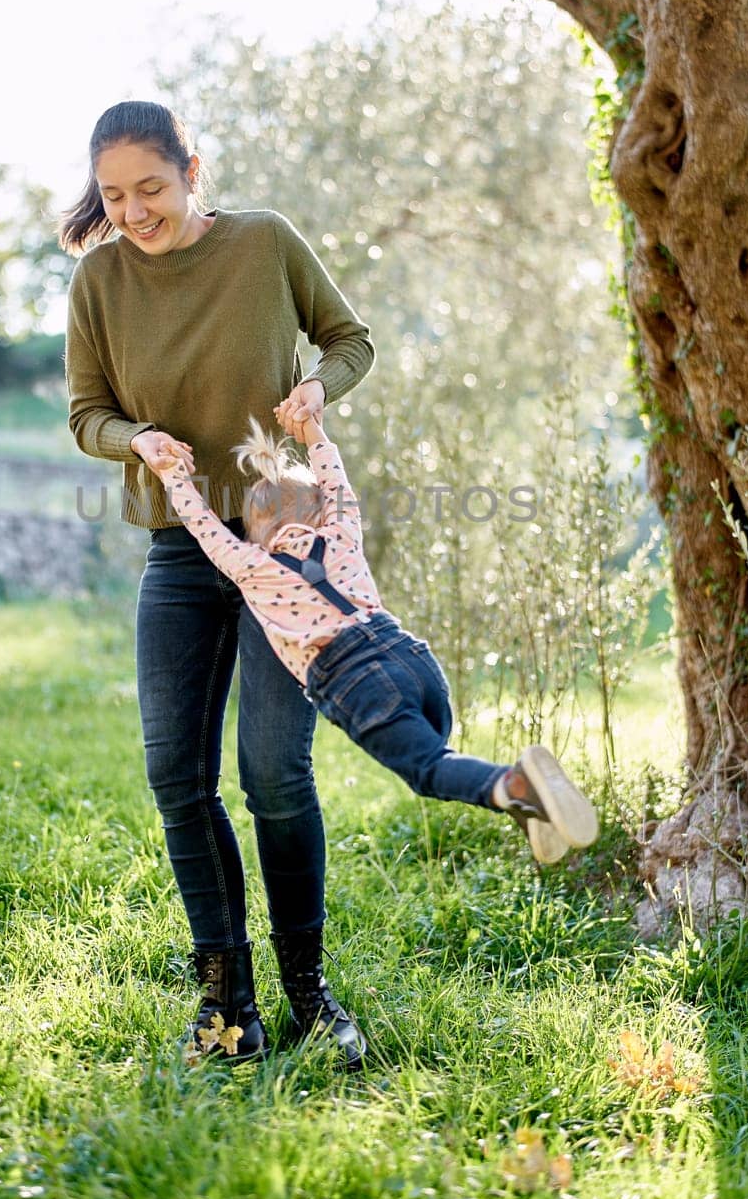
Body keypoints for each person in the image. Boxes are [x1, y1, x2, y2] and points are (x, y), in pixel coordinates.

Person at [60, 100, 375, 1070]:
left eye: (149, 188)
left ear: (192, 168)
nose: (133, 211)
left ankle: (309, 996)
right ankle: (225, 1005)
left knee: (275, 773)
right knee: (175, 776)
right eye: (114, 196)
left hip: (285, 549)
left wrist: (319, 387)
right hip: (178, 552)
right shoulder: (100, 280)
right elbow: (86, 412)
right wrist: (133, 441)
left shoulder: (264, 243)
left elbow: (348, 339)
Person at [147, 408, 600, 1000]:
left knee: (430, 771)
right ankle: (528, 808)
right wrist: (314, 435)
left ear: (257, 533)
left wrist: (173, 476)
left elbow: (203, 524)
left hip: (358, 683)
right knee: (440, 749)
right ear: (319, 514)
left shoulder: (253, 568)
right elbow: (336, 481)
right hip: (411, 660)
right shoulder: (341, 535)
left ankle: (515, 785)